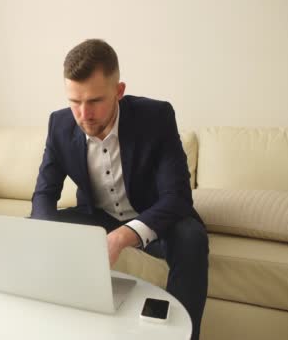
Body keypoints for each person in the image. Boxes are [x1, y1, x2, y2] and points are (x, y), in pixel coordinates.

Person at [31, 39, 208, 340]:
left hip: (152, 218)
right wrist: (45, 233)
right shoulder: (58, 124)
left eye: (95, 101)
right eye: (75, 101)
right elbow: (44, 195)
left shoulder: (156, 117)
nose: (83, 114)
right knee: (32, 228)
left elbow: (177, 196)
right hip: (97, 215)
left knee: (191, 237)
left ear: (119, 91)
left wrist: (123, 236)